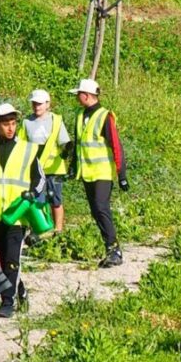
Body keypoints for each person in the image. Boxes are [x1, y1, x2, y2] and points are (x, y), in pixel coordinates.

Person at [0, 103, 44, 318]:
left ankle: (7, 301)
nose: (10, 128)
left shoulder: (27, 149)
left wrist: (32, 194)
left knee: (12, 260)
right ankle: (17, 289)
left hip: (17, 216)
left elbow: (40, 179)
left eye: (13, 124)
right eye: (6, 124)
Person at [68, 78, 128, 268]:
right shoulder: (80, 115)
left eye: (79, 94)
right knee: (96, 211)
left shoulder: (104, 116)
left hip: (102, 172)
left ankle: (114, 249)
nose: (77, 98)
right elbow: (79, 144)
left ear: (86, 95)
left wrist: (122, 175)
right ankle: (110, 247)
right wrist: (73, 167)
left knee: (101, 208)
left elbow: (116, 147)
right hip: (87, 172)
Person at [19, 89, 74, 234]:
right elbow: (21, 145)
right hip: (35, 169)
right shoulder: (27, 123)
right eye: (34, 104)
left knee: (55, 200)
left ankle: (58, 230)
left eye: (40, 104)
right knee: (38, 201)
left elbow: (64, 142)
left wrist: (67, 150)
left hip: (54, 169)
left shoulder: (56, 120)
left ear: (47, 104)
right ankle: (40, 230)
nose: (37, 106)